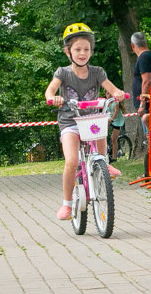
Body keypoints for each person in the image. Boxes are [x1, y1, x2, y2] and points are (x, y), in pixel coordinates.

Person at [45, 23, 126, 221]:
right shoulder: (62, 73)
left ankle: (103, 164)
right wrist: (53, 97)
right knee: (72, 161)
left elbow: (112, 88)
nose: (83, 53)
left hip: (91, 120)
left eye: (86, 49)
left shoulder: (97, 72)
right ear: (68, 52)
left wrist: (117, 93)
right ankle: (66, 204)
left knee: (99, 135)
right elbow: (50, 91)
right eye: (77, 49)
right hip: (70, 121)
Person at [131, 32, 151, 129]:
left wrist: (142, 104)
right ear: (146, 42)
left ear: (132, 46)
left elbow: (146, 81)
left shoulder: (143, 57)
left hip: (148, 105)